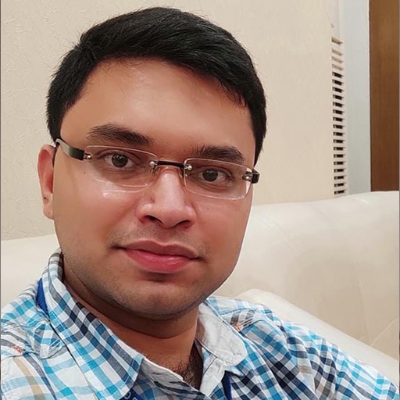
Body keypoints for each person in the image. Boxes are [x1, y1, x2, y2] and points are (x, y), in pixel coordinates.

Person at [1, 7, 398, 400]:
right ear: (50, 181)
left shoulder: (279, 349)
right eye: (120, 160)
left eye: (212, 174)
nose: (169, 209)